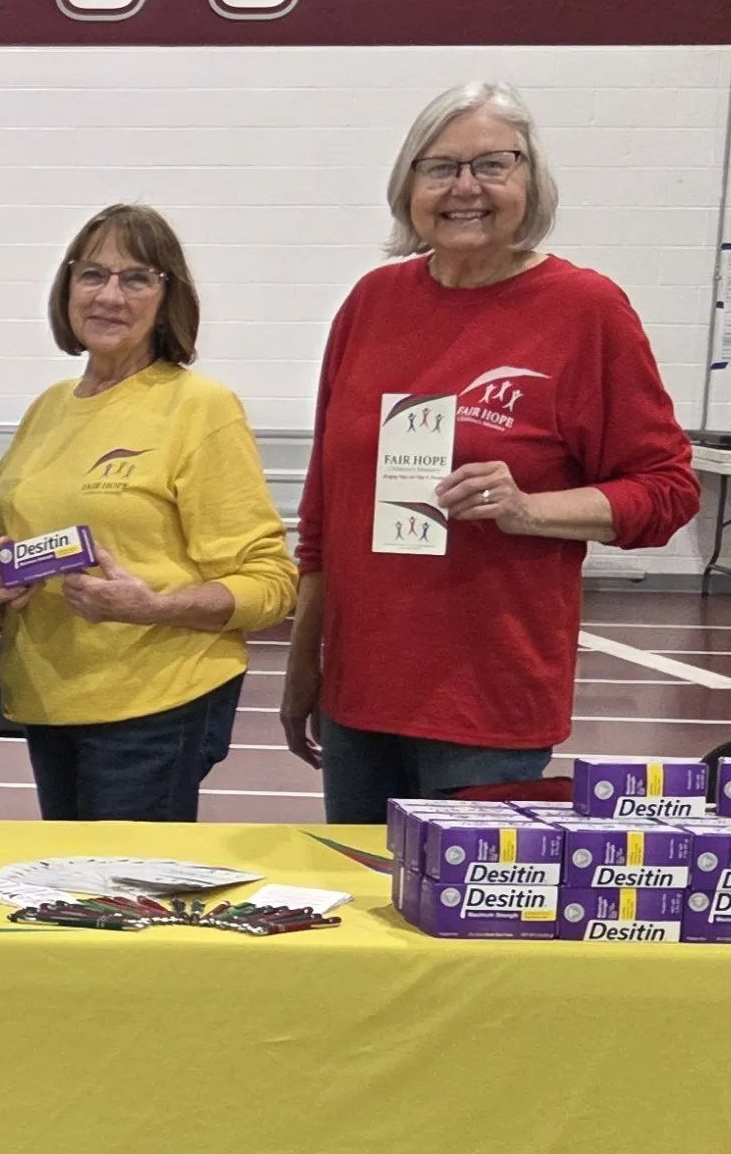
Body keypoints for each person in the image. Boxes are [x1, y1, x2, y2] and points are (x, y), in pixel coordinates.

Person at [281, 82, 696, 823]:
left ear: (528, 181)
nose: (463, 188)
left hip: (487, 701)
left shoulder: (584, 310)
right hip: (359, 692)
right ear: (407, 185)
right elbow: (324, 508)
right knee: (360, 918)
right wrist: (304, 664)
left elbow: (665, 490)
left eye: (491, 165)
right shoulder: (370, 303)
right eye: (438, 168)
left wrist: (529, 509)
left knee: (459, 929)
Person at [0, 205, 297, 821]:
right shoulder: (48, 408)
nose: (110, 296)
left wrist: (155, 606)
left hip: (154, 707)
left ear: (167, 296)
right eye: (92, 274)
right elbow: (8, 546)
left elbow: (271, 582)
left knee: (122, 896)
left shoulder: (201, 407)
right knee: (72, 896)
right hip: (51, 701)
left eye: (137, 278)